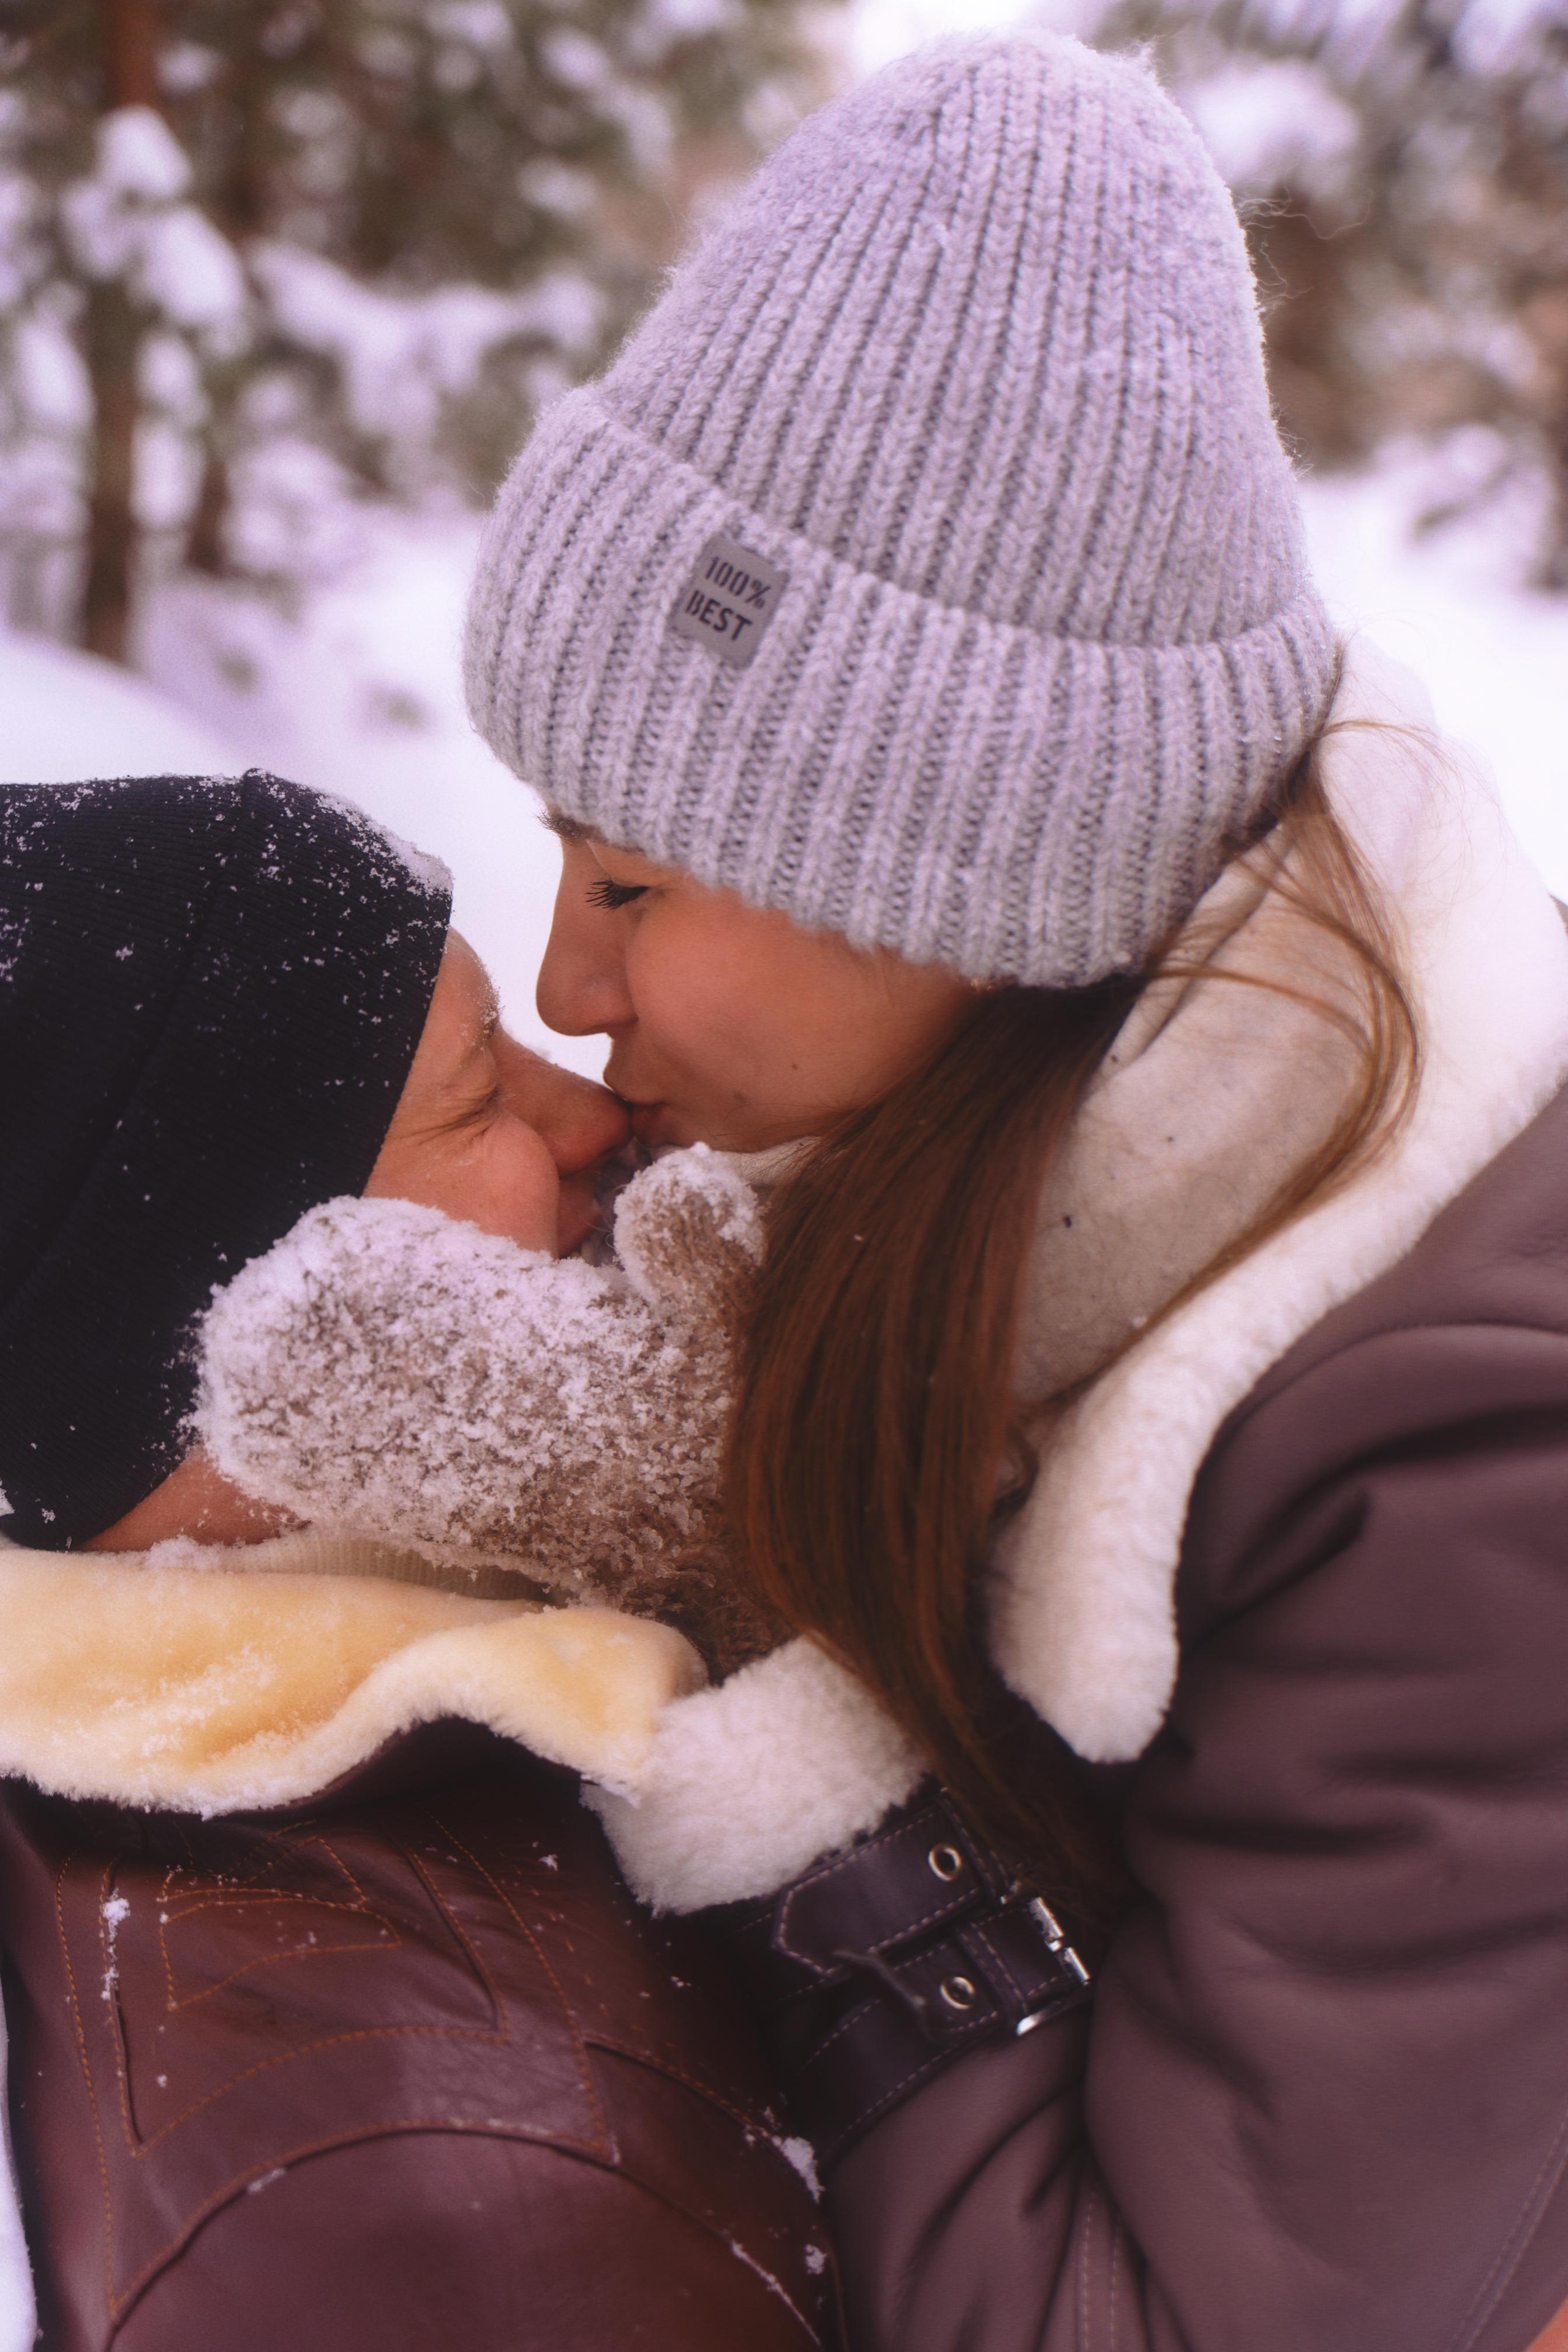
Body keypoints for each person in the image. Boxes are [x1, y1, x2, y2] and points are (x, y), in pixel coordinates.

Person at [445, 29, 1568, 2351]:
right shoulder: (964, 1164)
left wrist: (774, 1742)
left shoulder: (1456, 1448)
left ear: (951, 882)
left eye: (635, 880)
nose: (566, 979)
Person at [0, 774, 838, 2350]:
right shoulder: (478, 2205)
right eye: (477, 1097)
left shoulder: (137, 1754)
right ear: (238, 1315)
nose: (592, 1113)